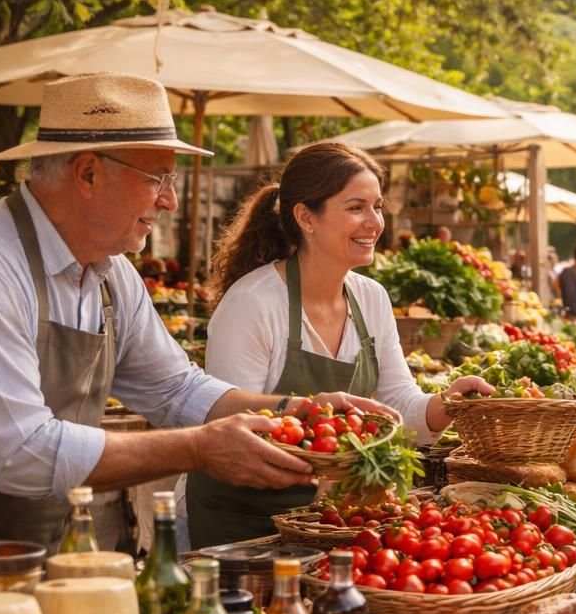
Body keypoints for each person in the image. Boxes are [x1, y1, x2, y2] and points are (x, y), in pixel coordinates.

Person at [0, 73, 384, 614]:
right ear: (87, 172)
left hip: (28, 553)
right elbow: (22, 453)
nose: (168, 200)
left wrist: (293, 412)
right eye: (158, 179)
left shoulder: (111, 274)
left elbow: (175, 388)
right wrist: (199, 450)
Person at [191, 142, 493, 546]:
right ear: (305, 217)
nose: (375, 223)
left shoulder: (371, 298)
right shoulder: (254, 303)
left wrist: (446, 405)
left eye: (378, 206)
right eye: (356, 207)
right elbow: (231, 428)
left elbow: (397, 402)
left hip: (327, 518)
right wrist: (329, 474)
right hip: (243, 526)